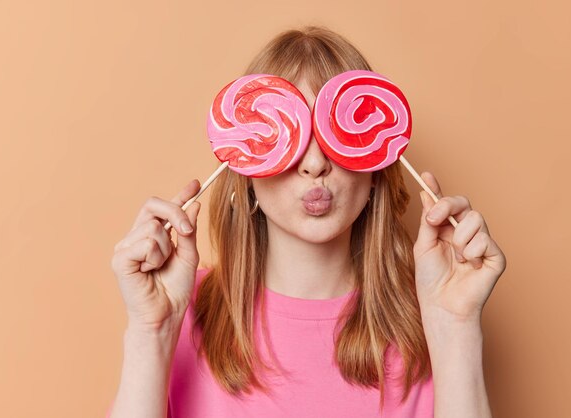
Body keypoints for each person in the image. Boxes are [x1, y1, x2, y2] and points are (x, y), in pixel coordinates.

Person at [106, 26, 507, 418]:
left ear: (377, 163)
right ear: (245, 164)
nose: (315, 164)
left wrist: (456, 327)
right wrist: (151, 332)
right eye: (288, 133)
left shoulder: (430, 315)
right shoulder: (179, 306)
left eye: (336, 133)